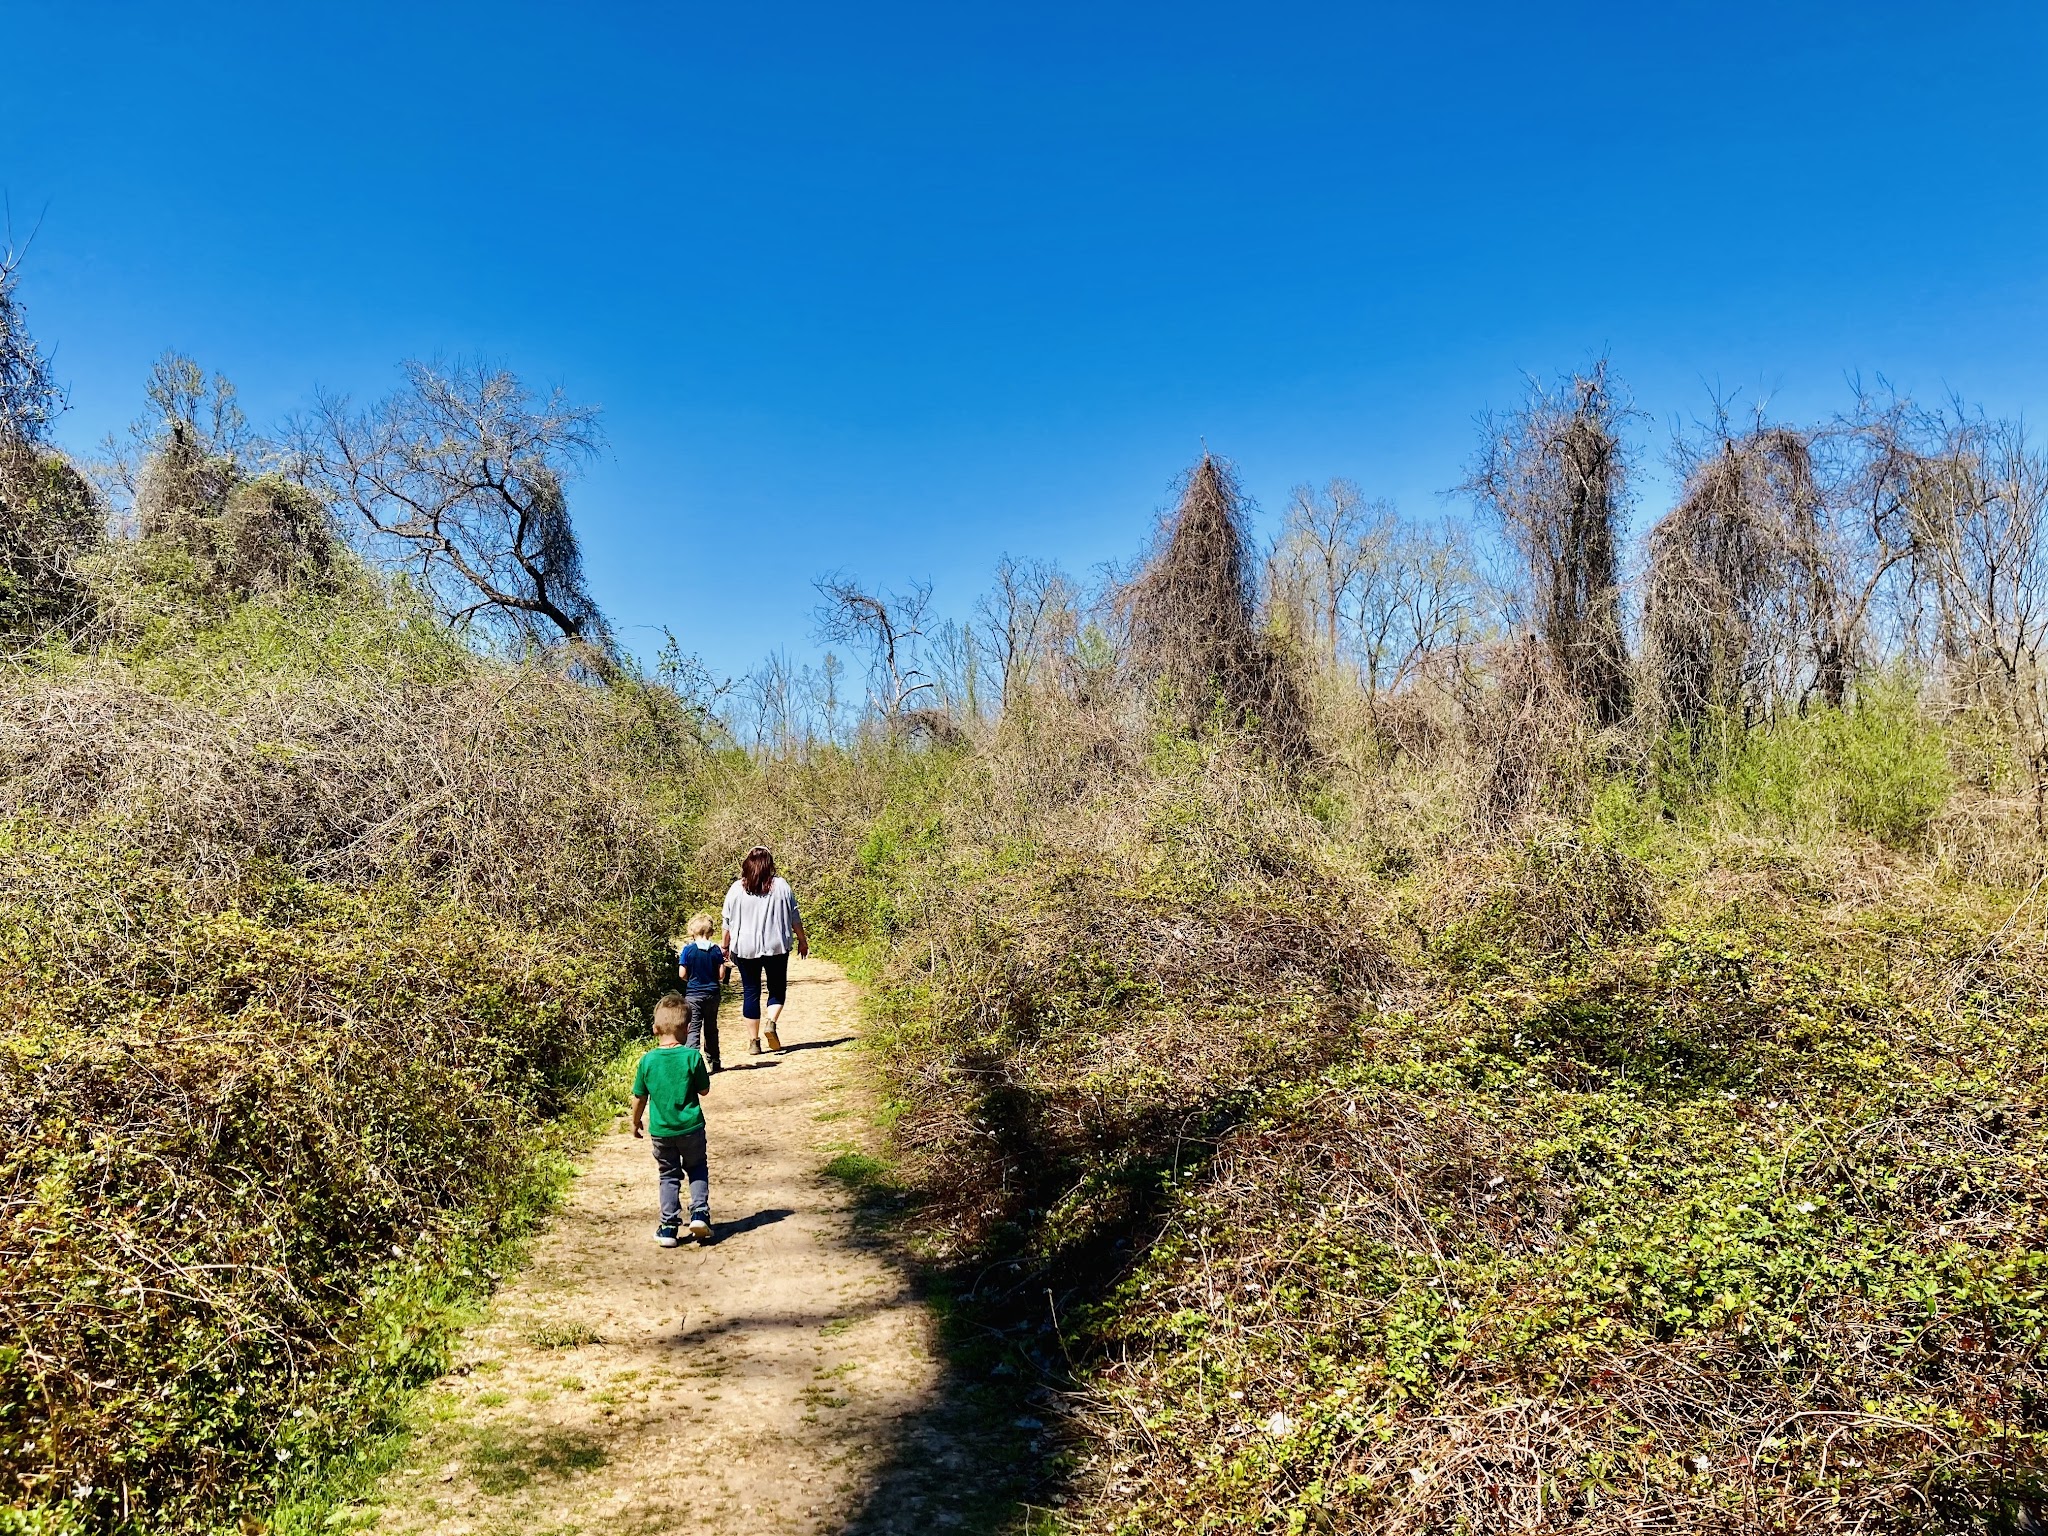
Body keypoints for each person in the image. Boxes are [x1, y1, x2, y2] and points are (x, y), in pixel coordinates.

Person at [631, 994, 713, 1245]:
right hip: (691, 1127)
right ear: (688, 1030)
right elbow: (704, 1090)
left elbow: (639, 1097)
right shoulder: (692, 1057)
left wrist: (634, 1122)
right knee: (696, 1167)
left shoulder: (647, 1061)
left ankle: (668, 1227)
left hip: (661, 1131)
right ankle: (699, 1213)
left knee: (668, 1174)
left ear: (655, 1029)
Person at [721, 845, 808, 1055]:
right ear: (769, 865)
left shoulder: (736, 889)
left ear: (747, 865)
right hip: (776, 946)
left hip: (745, 949)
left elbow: (727, 923)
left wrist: (724, 947)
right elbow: (795, 917)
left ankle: (754, 1042)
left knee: (751, 992)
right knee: (777, 989)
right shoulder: (782, 886)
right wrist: (802, 940)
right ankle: (771, 1022)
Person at [673, 912, 725, 1072]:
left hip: (694, 995)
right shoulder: (716, 950)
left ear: (692, 931)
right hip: (712, 994)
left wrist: (691, 979)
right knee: (711, 1028)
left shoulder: (688, 950)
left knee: (693, 1028)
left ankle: (692, 1063)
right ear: (710, 932)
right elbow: (721, 975)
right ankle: (714, 1060)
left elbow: (682, 973)